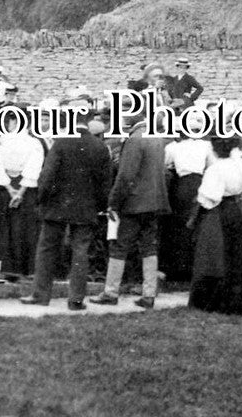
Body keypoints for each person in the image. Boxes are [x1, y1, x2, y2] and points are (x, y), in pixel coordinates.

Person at [21, 108, 112, 310]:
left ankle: (40, 295)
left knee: (47, 249)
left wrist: (42, 200)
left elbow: (47, 176)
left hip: (56, 206)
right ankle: (76, 299)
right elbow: (105, 184)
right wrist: (99, 206)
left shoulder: (61, 143)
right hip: (85, 208)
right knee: (81, 252)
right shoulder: (100, 147)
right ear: (89, 122)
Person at [92, 110, 171, 309]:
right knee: (149, 247)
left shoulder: (134, 140)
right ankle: (149, 293)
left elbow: (125, 176)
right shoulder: (156, 138)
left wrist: (114, 202)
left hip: (134, 202)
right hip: (154, 202)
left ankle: (110, 292)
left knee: (119, 246)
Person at [188, 135, 242, 313]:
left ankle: (217, 300)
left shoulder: (215, 169)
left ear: (214, 149)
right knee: (237, 254)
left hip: (218, 213)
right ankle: (239, 298)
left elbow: (208, 199)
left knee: (216, 256)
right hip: (237, 210)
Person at [0, 106, 44, 281]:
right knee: (21, 228)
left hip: (9, 188)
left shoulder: (2, 141)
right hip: (20, 189)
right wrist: (19, 191)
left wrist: (13, 190)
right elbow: (33, 167)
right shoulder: (32, 142)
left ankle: (8, 269)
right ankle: (21, 270)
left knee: (8, 228)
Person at [160, 117, 213, 282]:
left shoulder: (173, 147)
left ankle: (178, 268)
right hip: (200, 182)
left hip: (182, 185)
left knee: (178, 226)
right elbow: (211, 165)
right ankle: (194, 268)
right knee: (197, 225)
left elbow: (165, 165)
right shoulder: (206, 146)